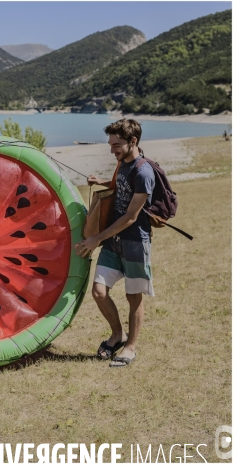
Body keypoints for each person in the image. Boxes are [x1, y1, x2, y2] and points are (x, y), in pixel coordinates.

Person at [75, 119, 155, 367]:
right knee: (99, 292)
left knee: (134, 297)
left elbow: (131, 217)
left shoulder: (144, 172)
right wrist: (101, 180)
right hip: (113, 240)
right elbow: (119, 188)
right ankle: (117, 335)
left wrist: (97, 237)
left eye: (116, 145)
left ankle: (130, 347)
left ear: (133, 141)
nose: (112, 150)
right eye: (110, 144)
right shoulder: (122, 163)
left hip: (134, 242)